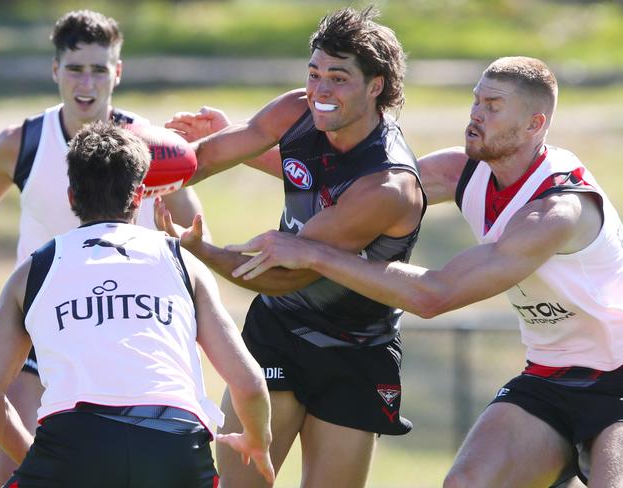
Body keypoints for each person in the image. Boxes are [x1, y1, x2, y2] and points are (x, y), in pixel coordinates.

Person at [225, 56, 623, 487]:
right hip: (550, 376)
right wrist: (228, 139)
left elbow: (435, 294)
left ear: (534, 124)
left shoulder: (556, 211)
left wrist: (313, 255)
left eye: (493, 106)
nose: (475, 114)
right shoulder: (463, 171)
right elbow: (363, 186)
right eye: (476, 101)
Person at [157, 6, 425, 488]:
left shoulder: (385, 187)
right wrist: (138, 173)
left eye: (338, 78)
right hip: (279, 328)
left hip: (357, 350)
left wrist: (198, 248)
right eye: (315, 73)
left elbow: (287, 272)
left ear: (376, 85)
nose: (320, 89)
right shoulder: (295, 111)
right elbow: (207, 156)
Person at [0, 10, 210, 487]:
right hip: (38, 326)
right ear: (55, 70)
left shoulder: (148, 146)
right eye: (76, 68)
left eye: (99, 69)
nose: (87, 81)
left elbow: (193, 228)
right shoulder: (20, 144)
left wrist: (176, 195)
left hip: (122, 324)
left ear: (116, 73)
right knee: (5, 467)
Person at [0, 121, 274, 487]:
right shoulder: (183, 263)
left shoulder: (33, 270)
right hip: (175, 446)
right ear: (139, 197)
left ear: (71, 196)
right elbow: (250, 383)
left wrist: (35, 460)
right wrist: (257, 441)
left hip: (73, 444)